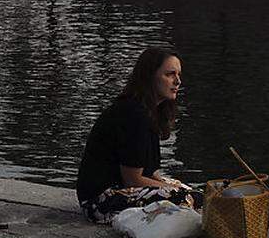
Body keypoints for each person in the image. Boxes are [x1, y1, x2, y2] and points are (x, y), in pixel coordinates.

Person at [76, 48, 199, 223]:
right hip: (101, 201)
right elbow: (132, 179)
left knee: (199, 194)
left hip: (123, 189)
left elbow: (151, 172)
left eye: (178, 74)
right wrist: (176, 192)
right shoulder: (133, 114)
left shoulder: (149, 112)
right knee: (191, 200)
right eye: (170, 74)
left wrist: (175, 188)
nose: (178, 81)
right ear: (150, 76)